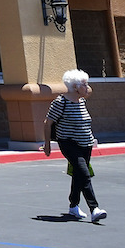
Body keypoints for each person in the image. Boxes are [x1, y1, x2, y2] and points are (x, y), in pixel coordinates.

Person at [44, 69, 107, 223]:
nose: (87, 88)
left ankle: (73, 206)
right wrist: (47, 144)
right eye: (84, 85)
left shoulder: (81, 100)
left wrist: (84, 84)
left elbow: (89, 92)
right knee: (84, 173)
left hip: (86, 143)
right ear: (74, 87)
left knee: (78, 175)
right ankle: (94, 209)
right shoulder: (61, 102)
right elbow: (48, 123)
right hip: (69, 142)